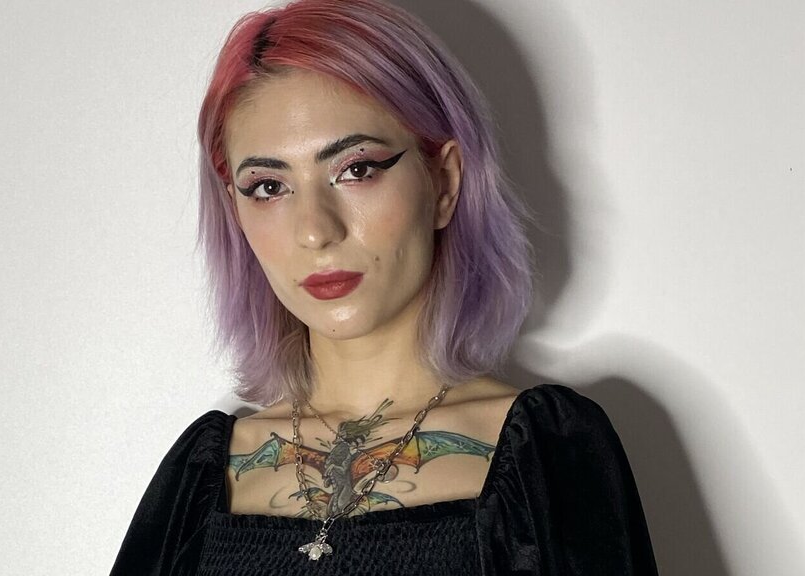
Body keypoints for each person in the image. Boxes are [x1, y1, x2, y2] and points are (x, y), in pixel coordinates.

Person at [110, 0, 658, 574]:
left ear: (444, 182)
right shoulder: (199, 478)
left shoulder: (546, 456)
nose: (316, 231)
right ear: (236, 211)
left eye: (357, 169)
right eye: (269, 187)